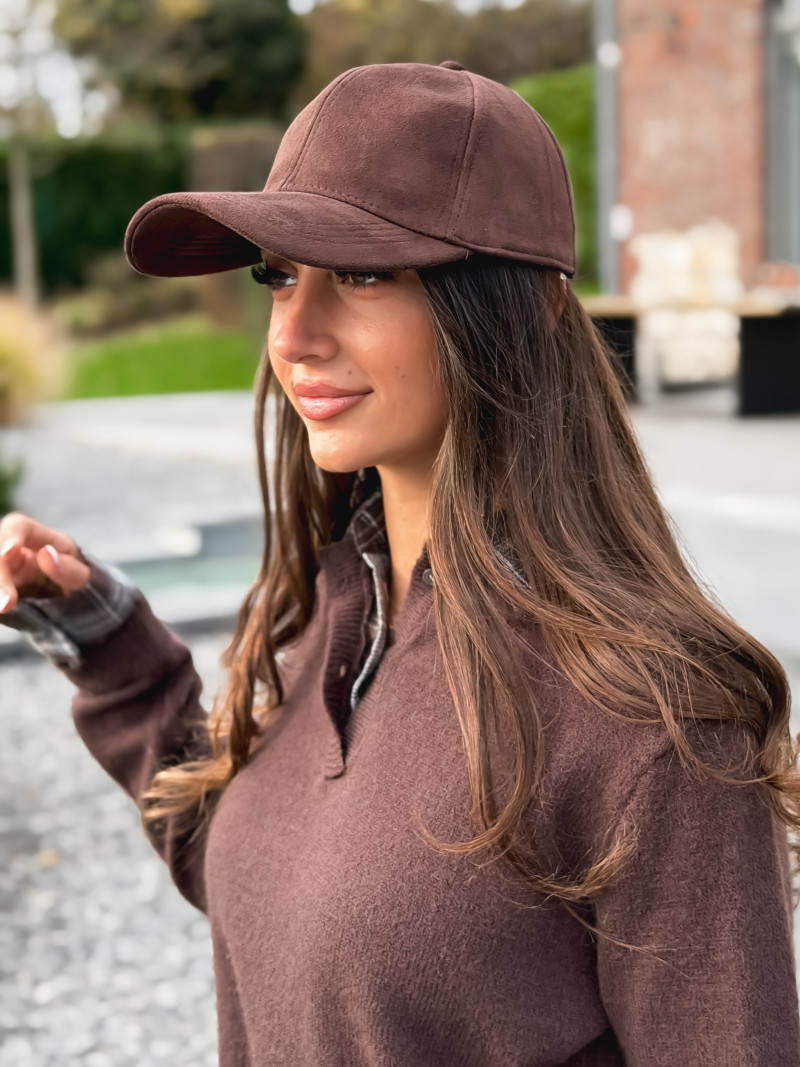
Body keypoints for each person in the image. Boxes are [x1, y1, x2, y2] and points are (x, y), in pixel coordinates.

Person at [0, 60, 798, 1066]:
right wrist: (108, 643)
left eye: (364, 274)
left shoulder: (652, 726)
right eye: (279, 274)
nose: (292, 334)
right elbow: (276, 886)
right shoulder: (328, 621)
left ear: (528, 306)